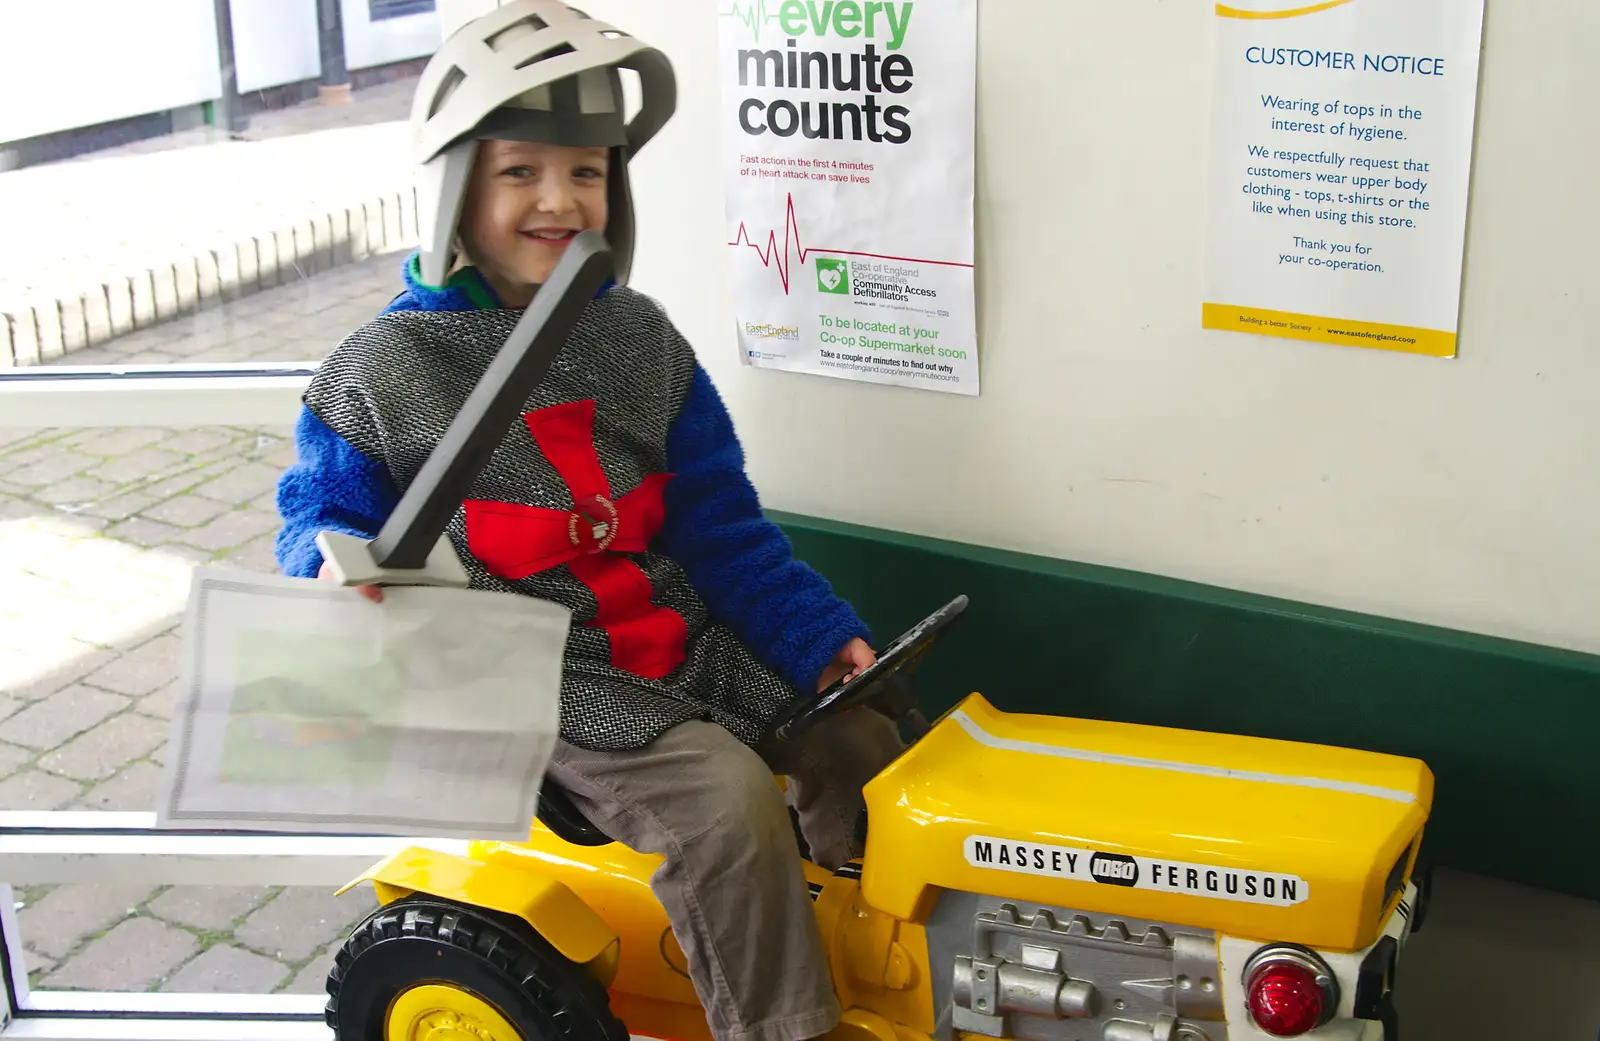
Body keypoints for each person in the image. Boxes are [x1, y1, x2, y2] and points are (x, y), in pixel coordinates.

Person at [271, 4, 902, 1041]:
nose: (559, 199)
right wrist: (333, 574)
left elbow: (723, 527)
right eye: (520, 172)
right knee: (722, 803)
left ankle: (858, 951)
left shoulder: (641, 340)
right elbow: (319, 518)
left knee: (860, 734)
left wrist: (813, 637)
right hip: (539, 681)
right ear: (455, 184)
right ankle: (785, 1025)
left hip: (675, 641)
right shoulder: (379, 373)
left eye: (587, 171)